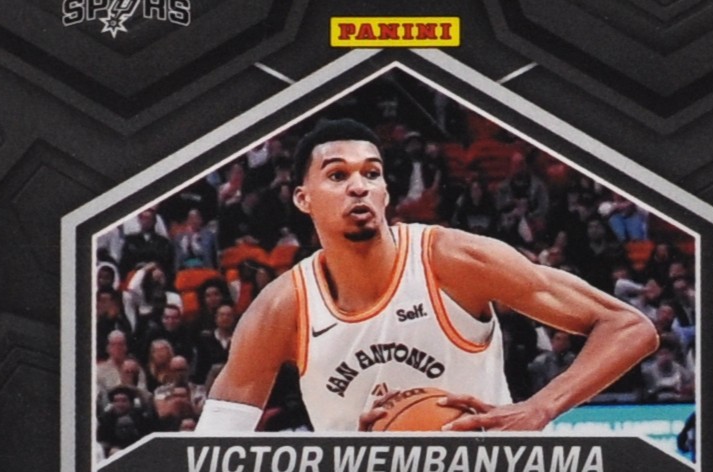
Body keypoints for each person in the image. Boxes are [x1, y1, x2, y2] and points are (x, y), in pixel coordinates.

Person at [196, 118, 656, 434]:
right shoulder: (282, 308)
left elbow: (628, 326)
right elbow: (212, 451)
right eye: (337, 176)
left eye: (371, 174)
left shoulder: (451, 260)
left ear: (385, 191)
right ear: (302, 198)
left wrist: (540, 407)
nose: (359, 186)